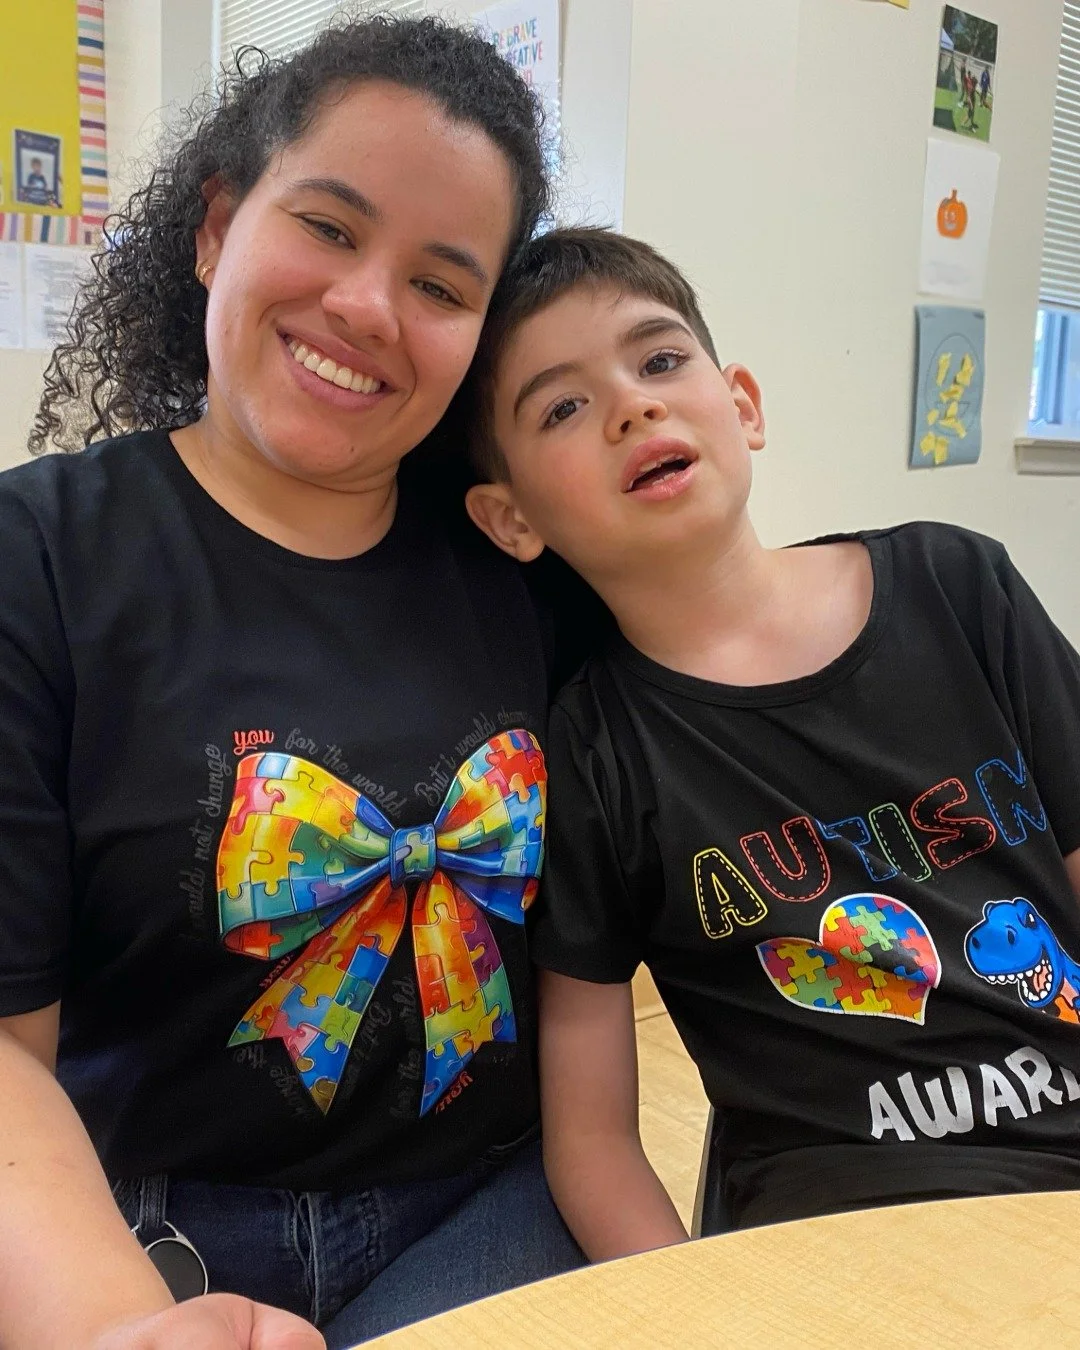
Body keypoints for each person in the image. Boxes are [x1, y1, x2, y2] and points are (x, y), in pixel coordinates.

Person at [0, 17, 583, 1350]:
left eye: (442, 286)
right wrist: (109, 1321)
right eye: (328, 226)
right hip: (127, 1228)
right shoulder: (34, 560)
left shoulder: (532, 579)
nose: (370, 306)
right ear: (215, 228)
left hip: (488, 1215)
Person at [462, 226, 1080, 1258]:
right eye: (563, 407)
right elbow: (595, 1141)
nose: (632, 405)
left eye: (659, 359)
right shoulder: (589, 751)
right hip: (836, 1234)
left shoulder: (957, 588)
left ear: (741, 404)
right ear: (511, 518)